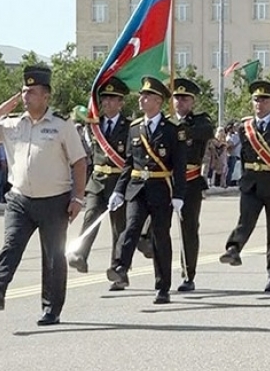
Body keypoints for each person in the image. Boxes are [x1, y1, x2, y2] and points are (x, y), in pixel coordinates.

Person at [0, 65, 88, 326]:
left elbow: (79, 162)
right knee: (11, 245)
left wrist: (78, 197)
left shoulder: (61, 125)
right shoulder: (13, 123)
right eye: (24, 91)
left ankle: (51, 309)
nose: (26, 96)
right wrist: (1, 110)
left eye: (32, 92)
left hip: (54, 200)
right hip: (20, 199)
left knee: (53, 256)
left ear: (46, 96)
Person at [106, 76, 187, 304]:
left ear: (159, 101)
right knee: (130, 228)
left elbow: (179, 166)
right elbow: (129, 163)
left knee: (160, 237)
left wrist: (179, 195)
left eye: (147, 96)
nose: (141, 99)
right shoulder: (134, 128)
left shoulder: (173, 130)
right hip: (137, 189)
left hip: (162, 189)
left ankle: (162, 287)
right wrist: (119, 191)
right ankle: (120, 267)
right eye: (141, 95)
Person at [219, 80, 270, 292]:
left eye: (264, 100)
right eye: (256, 99)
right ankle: (233, 249)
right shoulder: (245, 128)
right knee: (245, 221)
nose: (259, 104)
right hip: (251, 184)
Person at [67, 77, 131, 278]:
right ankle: (81, 255)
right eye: (105, 99)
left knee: (119, 228)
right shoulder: (94, 125)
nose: (108, 103)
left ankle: (118, 269)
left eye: (113, 99)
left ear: (121, 103)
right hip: (97, 181)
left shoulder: (129, 126)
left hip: (119, 181)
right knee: (90, 216)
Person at [168, 78, 214, 292]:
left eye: (184, 98)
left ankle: (188, 274)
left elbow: (206, 132)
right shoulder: (165, 121)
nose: (180, 102)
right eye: (176, 97)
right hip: (166, 181)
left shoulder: (200, 122)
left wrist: (180, 129)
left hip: (190, 181)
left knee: (188, 229)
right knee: (156, 225)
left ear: (192, 102)